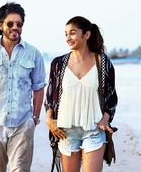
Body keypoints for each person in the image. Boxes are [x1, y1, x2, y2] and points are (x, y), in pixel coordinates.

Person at [0, 2, 46, 172]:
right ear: (0, 25)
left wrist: (34, 119)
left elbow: (38, 87)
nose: (15, 27)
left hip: (22, 125)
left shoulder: (34, 53)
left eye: (19, 24)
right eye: (10, 23)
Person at [45, 16, 118, 172]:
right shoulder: (58, 63)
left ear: (87, 34)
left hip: (93, 130)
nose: (68, 38)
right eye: (66, 34)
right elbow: (50, 96)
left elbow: (112, 97)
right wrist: (49, 120)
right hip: (66, 132)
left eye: (72, 33)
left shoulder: (103, 62)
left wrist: (105, 121)